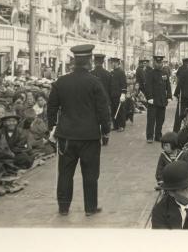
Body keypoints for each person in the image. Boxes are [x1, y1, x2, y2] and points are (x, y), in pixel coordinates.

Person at [47, 44, 111, 216]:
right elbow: (103, 110)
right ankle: (90, 208)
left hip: (66, 136)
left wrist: (52, 127)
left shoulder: (61, 82)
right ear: (89, 61)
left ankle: (63, 208)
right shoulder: (94, 83)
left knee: (65, 173)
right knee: (90, 174)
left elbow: (51, 107)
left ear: (74, 61)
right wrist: (105, 130)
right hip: (89, 136)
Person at [144, 55, 172, 143]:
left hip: (162, 100)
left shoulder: (165, 73)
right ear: (154, 63)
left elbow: (168, 85)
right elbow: (147, 87)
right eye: (157, 62)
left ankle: (158, 136)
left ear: (162, 63)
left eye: (160, 62)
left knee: (161, 119)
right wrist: (149, 97)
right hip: (153, 101)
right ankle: (149, 137)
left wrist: (169, 96)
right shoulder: (150, 73)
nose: (158, 64)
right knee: (151, 119)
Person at [109, 57, 128, 132]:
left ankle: (122, 126)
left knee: (120, 111)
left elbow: (124, 84)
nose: (112, 64)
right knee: (114, 110)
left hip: (119, 95)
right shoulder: (112, 72)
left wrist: (123, 94)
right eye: (112, 62)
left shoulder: (121, 72)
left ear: (117, 63)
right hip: (113, 95)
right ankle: (116, 125)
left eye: (113, 62)